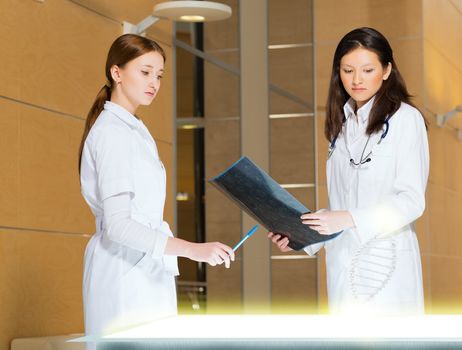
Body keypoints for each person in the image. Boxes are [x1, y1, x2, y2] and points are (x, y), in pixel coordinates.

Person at [78, 34, 234, 346]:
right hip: (123, 271)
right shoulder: (112, 133)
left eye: (159, 75)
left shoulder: (134, 130)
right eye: (145, 72)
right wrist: (192, 249)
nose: (154, 83)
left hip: (145, 267)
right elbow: (118, 226)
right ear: (117, 73)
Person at [269, 27, 429, 315]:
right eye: (347, 70)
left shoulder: (406, 119)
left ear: (386, 70)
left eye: (367, 70)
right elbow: (341, 206)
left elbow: (410, 202)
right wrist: (302, 236)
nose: (356, 79)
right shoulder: (341, 127)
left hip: (386, 264)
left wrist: (346, 218)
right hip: (344, 264)